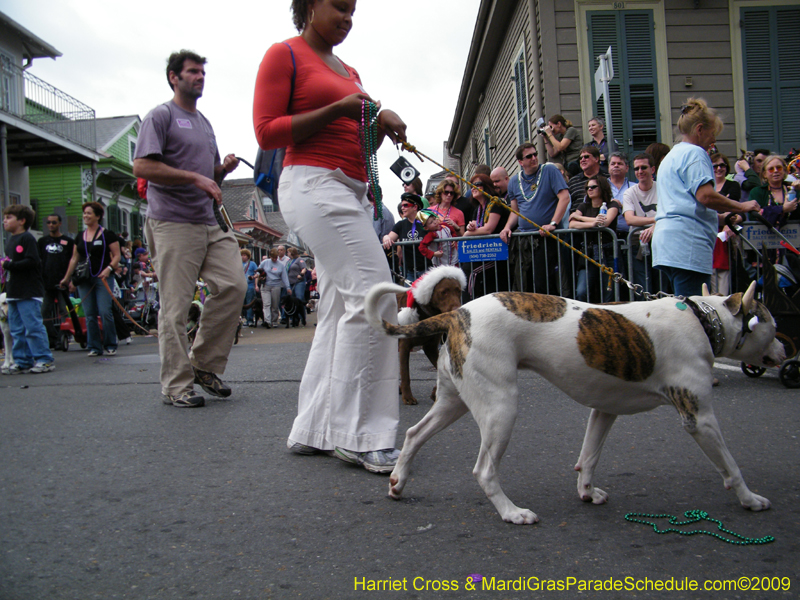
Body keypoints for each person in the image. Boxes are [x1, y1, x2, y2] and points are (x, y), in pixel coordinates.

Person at [253, 0, 408, 473]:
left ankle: (317, 426)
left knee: (343, 306)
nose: (347, 17)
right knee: (375, 296)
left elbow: (360, 144)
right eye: (339, 7)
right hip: (314, 184)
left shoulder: (350, 68)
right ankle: (360, 434)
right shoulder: (285, 54)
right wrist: (340, 106)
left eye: (353, 11)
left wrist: (380, 123)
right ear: (310, 5)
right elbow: (266, 132)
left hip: (351, 187)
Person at [133, 49, 246, 408]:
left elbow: (208, 175)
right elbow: (142, 166)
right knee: (176, 308)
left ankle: (203, 365)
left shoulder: (204, 123)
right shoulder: (161, 117)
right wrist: (195, 176)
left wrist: (220, 171)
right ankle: (176, 385)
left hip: (209, 220)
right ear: (173, 77)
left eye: (202, 73)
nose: (199, 78)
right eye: (192, 72)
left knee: (234, 286)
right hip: (172, 222)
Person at [651, 98, 759, 297]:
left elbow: (685, 204)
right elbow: (706, 197)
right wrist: (741, 207)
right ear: (700, 129)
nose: (713, 140)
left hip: (668, 244)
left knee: (682, 307)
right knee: (692, 314)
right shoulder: (695, 153)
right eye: (712, 133)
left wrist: (721, 218)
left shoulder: (671, 156)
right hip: (687, 244)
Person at [501, 142, 570, 294]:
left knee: (543, 282)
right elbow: (515, 211)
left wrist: (553, 223)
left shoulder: (549, 170)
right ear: (520, 162)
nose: (533, 158)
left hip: (545, 237)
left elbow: (564, 197)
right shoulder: (513, 181)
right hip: (524, 239)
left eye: (535, 154)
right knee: (524, 283)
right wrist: (506, 228)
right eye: (528, 156)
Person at [1, 205, 54, 374]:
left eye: (9, 217)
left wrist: (8, 265)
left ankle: (44, 359)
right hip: (14, 291)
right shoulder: (10, 240)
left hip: (29, 291)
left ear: (22, 221)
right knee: (16, 328)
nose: (4, 221)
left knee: (32, 326)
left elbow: (32, 261)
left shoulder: (27, 239)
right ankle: (22, 360)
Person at [67, 202, 121, 357]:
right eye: (84, 213)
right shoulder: (79, 236)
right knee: (89, 313)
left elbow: (117, 255)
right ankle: (94, 346)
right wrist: (68, 279)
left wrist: (109, 269)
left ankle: (110, 344)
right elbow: (74, 259)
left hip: (103, 277)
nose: (86, 216)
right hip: (84, 279)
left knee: (105, 311)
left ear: (98, 216)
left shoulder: (108, 234)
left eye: (89, 213)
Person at [569, 176, 620, 303]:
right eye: (587, 187)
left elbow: (605, 222)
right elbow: (572, 224)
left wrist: (581, 218)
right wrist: (592, 223)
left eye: (593, 187)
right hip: (589, 253)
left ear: (602, 188)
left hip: (608, 252)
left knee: (608, 291)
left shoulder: (612, 204)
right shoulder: (583, 206)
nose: (589, 189)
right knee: (581, 291)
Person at [464, 173, 511, 296]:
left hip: (498, 254)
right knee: (467, 269)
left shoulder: (495, 203)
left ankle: (468, 303)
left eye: (477, 185)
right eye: (471, 186)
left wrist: (467, 233)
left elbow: (488, 229)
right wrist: (471, 227)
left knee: (472, 272)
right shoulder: (478, 209)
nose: (473, 188)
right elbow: (474, 227)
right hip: (484, 252)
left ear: (486, 186)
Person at [37, 214, 76, 350]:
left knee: (63, 312)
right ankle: (52, 339)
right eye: (48, 222)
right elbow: (39, 261)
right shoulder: (42, 241)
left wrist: (71, 280)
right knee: (44, 313)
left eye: (54, 222)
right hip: (47, 283)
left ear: (60, 223)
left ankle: (63, 338)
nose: (51, 225)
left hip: (63, 282)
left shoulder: (68, 242)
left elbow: (74, 261)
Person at [622, 153, 659, 295]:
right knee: (642, 287)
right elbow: (630, 219)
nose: (640, 171)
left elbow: (669, 215)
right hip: (637, 242)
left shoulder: (662, 188)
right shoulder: (629, 193)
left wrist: (656, 226)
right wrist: (656, 220)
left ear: (653, 169)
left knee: (660, 283)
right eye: (636, 168)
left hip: (660, 241)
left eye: (644, 167)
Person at [710, 153, 741, 295]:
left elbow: (733, 209)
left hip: (725, 237)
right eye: (715, 166)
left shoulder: (733, 185)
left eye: (722, 165)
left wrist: (720, 214)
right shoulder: (707, 186)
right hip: (708, 234)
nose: (719, 168)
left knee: (723, 276)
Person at [384, 193, 428, 281]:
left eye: (405, 205)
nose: (402, 208)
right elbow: (389, 237)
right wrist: (386, 237)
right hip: (410, 272)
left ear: (415, 207)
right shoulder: (400, 225)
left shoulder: (426, 222)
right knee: (409, 294)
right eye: (402, 205)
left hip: (426, 271)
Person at [750, 155, 800, 228]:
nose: (775, 171)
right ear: (764, 174)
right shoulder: (757, 192)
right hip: (764, 237)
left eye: (779, 168)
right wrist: (782, 209)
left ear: (784, 171)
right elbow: (753, 216)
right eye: (771, 169)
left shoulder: (794, 190)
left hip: (794, 236)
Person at [256, 248, 292, 328]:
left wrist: (288, 287)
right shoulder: (265, 262)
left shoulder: (280, 265)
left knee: (275, 305)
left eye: (276, 257)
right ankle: (267, 321)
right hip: (266, 285)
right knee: (266, 304)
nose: (275, 259)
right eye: (273, 257)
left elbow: (284, 277)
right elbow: (258, 271)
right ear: (270, 256)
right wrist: (259, 276)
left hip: (276, 285)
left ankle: (274, 320)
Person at [567, 145, 606, 212]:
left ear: (596, 159)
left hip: (602, 218)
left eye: (586, 157)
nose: (582, 160)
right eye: (580, 158)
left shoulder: (607, 179)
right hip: (577, 220)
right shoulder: (573, 181)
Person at [286, 246, 308, 326]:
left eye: (288, 252)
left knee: (299, 298)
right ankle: (294, 318)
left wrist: (301, 274)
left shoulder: (299, 260)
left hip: (298, 282)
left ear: (292, 252)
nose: (287, 253)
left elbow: (304, 268)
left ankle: (301, 317)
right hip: (291, 282)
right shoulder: (289, 261)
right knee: (292, 300)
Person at [241, 248, 258, 326]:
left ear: (248, 256)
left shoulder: (252, 264)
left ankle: (250, 320)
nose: (243, 257)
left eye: (244, 255)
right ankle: (243, 319)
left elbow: (257, 274)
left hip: (250, 286)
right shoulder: (238, 263)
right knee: (241, 303)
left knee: (249, 303)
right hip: (241, 286)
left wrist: (255, 284)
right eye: (242, 255)